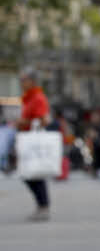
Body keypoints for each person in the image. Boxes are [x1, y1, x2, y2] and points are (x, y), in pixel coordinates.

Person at [17, 67, 51, 221]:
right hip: (26, 139)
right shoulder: (29, 98)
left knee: (35, 173)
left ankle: (43, 206)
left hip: (33, 141)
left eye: (23, 80)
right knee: (28, 173)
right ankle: (41, 206)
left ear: (31, 81)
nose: (21, 83)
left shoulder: (37, 97)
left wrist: (24, 122)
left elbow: (44, 119)